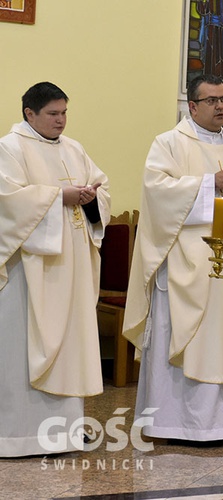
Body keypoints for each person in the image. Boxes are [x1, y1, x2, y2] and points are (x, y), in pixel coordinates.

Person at [123, 74, 223, 441]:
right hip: (184, 262)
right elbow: (157, 192)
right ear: (192, 106)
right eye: (211, 100)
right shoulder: (169, 144)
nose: (220, 106)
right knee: (183, 337)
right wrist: (210, 183)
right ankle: (173, 423)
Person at [0, 82, 111, 456]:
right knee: (22, 345)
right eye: (52, 113)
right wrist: (57, 197)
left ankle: (63, 433)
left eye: (64, 112)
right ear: (29, 114)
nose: (60, 120)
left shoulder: (74, 148)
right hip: (30, 273)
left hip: (72, 266)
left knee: (70, 343)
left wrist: (92, 199)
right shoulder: (9, 148)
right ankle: (16, 436)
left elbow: (101, 187)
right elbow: (7, 203)